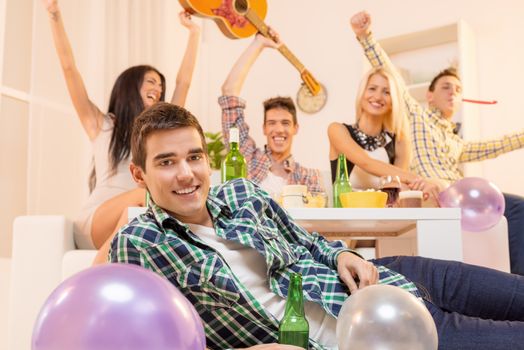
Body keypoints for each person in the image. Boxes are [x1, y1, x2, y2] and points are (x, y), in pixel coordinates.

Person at [111, 102, 524, 350]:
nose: (186, 173)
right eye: (166, 162)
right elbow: (150, 340)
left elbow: (307, 242)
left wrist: (341, 252)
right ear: (138, 174)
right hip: (381, 333)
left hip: (397, 277)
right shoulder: (141, 243)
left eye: (194, 157)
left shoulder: (241, 195)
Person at [351, 10, 524, 275]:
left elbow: (497, 145)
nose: (452, 93)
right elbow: (393, 79)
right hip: (437, 197)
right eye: (445, 87)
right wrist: (366, 36)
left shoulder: (457, 142)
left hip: (464, 198)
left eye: (457, 90)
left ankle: (514, 282)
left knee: (517, 209)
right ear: (429, 96)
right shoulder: (417, 118)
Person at [42, 0, 200, 253]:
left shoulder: (156, 135)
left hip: (137, 220)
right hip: (96, 223)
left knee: (165, 203)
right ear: (130, 86)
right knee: (146, 195)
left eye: (160, 85)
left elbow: (184, 82)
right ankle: (95, 274)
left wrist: (194, 33)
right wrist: (54, 14)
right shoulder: (102, 125)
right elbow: (69, 68)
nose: (158, 89)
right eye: (151, 81)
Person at [219, 30, 324, 196]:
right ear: (264, 129)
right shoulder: (248, 158)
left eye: (285, 123)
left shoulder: (308, 177)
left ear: (296, 128)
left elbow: (316, 220)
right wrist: (258, 44)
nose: (279, 130)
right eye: (272, 123)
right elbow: (229, 91)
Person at [328, 66, 440, 201]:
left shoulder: (400, 141)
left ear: (394, 101)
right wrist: (418, 179)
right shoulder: (337, 130)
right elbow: (366, 163)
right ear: (362, 93)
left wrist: (419, 185)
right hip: (346, 218)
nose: (377, 96)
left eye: (386, 92)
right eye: (372, 89)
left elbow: (396, 187)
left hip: (382, 217)